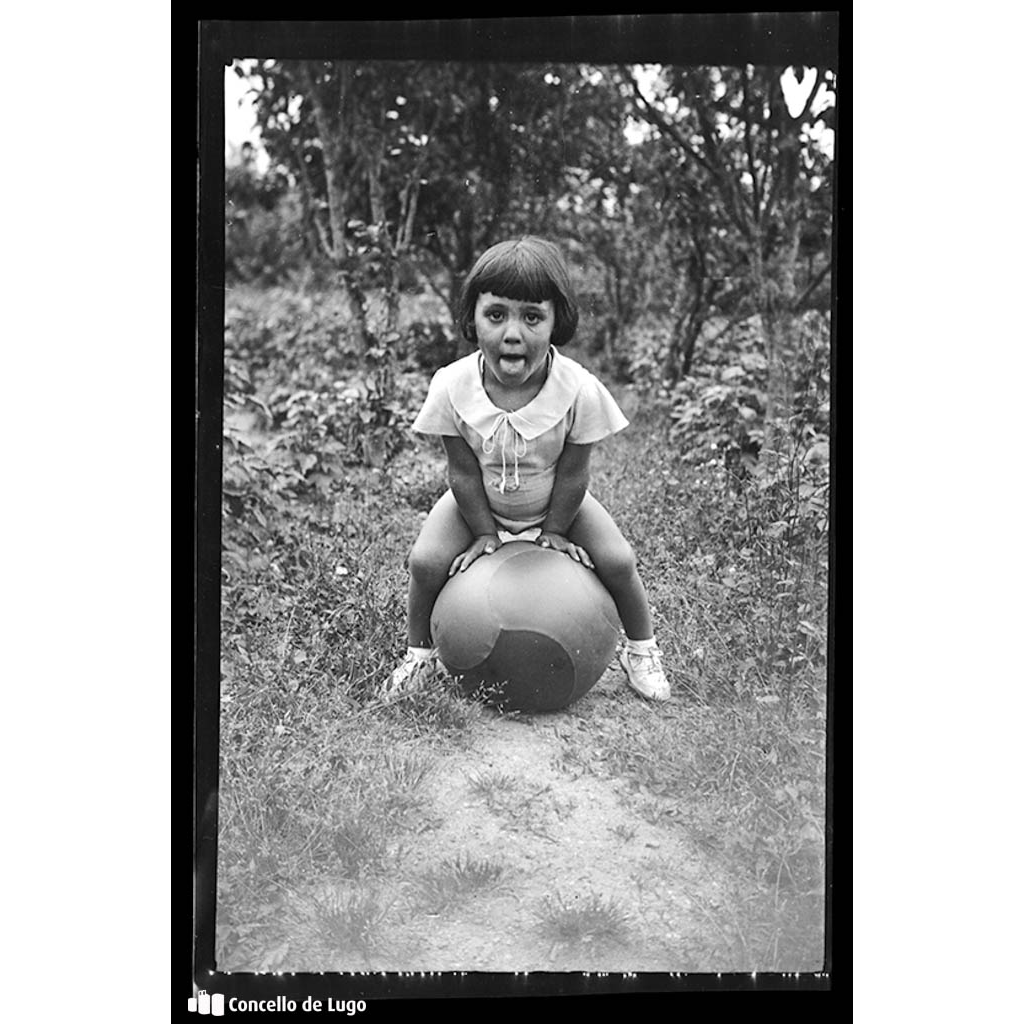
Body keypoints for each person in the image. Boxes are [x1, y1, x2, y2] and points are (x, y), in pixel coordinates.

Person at [385, 236, 669, 702]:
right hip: (475, 501)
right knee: (424, 561)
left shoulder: (577, 389)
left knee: (619, 560)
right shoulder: (452, 386)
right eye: (496, 315)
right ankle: (419, 654)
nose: (512, 333)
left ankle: (642, 649)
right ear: (472, 320)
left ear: (557, 321)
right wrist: (482, 533)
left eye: (532, 317)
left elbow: (575, 474)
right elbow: (461, 473)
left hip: (558, 498)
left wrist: (555, 531)